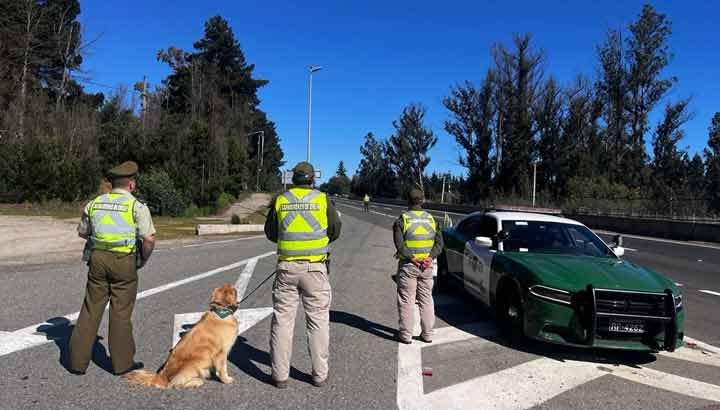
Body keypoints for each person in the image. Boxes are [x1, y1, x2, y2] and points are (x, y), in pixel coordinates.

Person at [68, 161, 156, 376]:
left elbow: (82, 232)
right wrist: (143, 260)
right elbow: (149, 239)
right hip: (124, 260)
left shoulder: (94, 204)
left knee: (90, 309)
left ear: (111, 184)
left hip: (97, 259)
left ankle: (77, 363)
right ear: (131, 185)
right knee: (120, 313)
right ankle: (122, 364)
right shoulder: (136, 206)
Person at [264, 161, 342, 388]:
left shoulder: (281, 200)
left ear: (292, 179)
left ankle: (279, 376)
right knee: (318, 322)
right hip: (315, 269)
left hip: (286, 268)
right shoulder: (322, 199)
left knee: (282, 322)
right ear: (312, 180)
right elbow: (335, 229)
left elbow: (270, 232)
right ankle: (319, 374)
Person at [393, 188, 443, 344]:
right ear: (423, 200)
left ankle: (406, 335)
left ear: (407, 200)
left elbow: (399, 245)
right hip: (427, 267)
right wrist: (429, 258)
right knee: (426, 299)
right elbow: (440, 244)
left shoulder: (403, 219)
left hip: (409, 266)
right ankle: (428, 334)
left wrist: (412, 258)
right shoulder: (432, 219)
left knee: (407, 300)